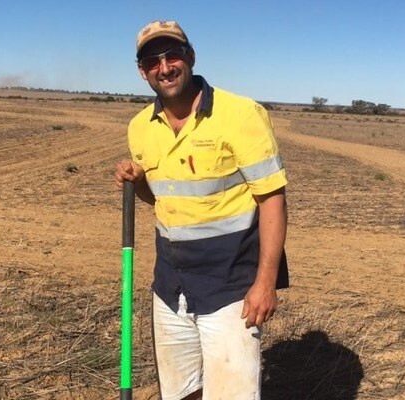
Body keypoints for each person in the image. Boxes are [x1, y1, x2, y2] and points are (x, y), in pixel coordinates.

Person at [114, 20, 288, 400]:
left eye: (172, 54)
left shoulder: (241, 115)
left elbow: (272, 198)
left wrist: (265, 283)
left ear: (190, 57)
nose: (165, 67)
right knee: (180, 392)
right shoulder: (140, 127)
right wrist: (136, 180)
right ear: (142, 71)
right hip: (169, 286)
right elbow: (162, 199)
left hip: (230, 288)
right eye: (152, 61)